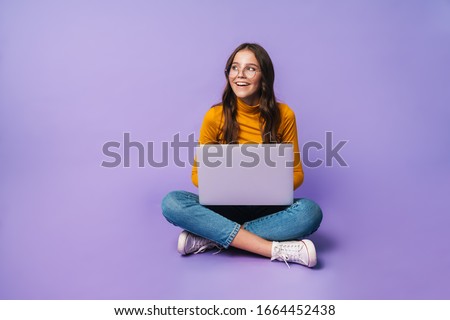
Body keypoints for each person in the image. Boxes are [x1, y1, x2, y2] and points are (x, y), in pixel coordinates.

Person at [161, 43, 322, 268]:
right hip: (225, 207)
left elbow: (297, 174)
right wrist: (226, 184)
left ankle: (211, 236)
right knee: (172, 202)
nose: (240, 75)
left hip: (267, 207)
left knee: (309, 213)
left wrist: (265, 185)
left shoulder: (284, 115)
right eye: (234, 68)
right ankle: (273, 249)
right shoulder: (215, 116)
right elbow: (198, 175)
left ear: (264, 75)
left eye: (250, 69)